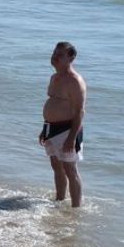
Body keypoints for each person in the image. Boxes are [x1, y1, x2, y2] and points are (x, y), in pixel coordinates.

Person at [39, 41, 86, 207]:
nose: (55, 57)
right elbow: (53, 103)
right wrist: (44, 128)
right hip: (51, 128)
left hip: (67, 129)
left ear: (71, 58)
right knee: (56, 166)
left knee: (70, 169)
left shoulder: (75, 81)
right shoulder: (55, 77)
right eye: (54, 53)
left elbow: (80, 111)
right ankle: (59, 200)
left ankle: (75, 209)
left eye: (60, 55)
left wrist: (71, 138)